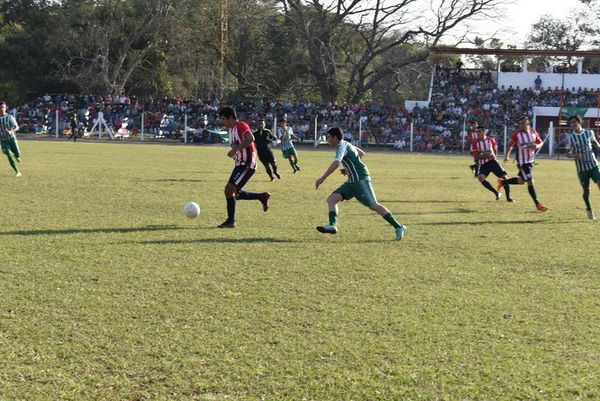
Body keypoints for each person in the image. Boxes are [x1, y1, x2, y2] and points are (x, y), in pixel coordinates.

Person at [315, 127, 407, 240]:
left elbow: (337, 162)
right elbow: (361, 153)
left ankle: (399, 227)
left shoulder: (341, 146)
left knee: (374, 205)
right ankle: (332, 226)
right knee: (332, 199)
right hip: (352, 181)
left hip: (361, 180)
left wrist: (322, 178)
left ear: (335, 137)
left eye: (328, 137)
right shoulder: (346, 144)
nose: (327, 139)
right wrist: (349, 168)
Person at [218, 106, 271, 228]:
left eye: (224, 119)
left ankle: (231, 221)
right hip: (240, 163)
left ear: (231, 117)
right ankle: (262, 196)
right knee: (234, 192)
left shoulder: (241, 125)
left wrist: (235, 149)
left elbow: (250, 138)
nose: (223, 122)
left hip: (247, 163)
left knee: (229, 190)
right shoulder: (231, 130)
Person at [501, 116, 548, 212]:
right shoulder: (516, 134)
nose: (522, 125)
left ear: (528, 124)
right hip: (522, 162)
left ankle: (502, 182)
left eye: (524, 123)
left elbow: (540, 142)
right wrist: (507, 156)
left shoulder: (533, 132)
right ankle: (537, 204)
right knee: (530, 181)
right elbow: (510, 145)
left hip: (530, 161)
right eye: (521, 123)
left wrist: (537, 146)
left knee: (521, 181)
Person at [565, 115, 600, 220]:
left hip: (593, 164)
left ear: (579, 122)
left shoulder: (589, 133)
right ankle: (589, 210)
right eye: (571, 123)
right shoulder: (570, 137)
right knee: (586, 191)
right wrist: (574, 156)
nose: (573, 124)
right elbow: (567, 153)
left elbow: (595, 143)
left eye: (574, 122)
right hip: (582, 169)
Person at [471, 126, 511, 201]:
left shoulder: (491, 140)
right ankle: (497, 193)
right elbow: (476, 157)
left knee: (505, 178)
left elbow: (495, 153)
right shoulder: (475, 143)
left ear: (484, 132)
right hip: (484, 164)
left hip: (493, 162)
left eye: (479, 131)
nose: (477, 133)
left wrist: (493, 156)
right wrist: (486, 155)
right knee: (481, 178)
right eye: (477, 132)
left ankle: (508, 197)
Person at [0, 101, 22, 177]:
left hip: (12, 139)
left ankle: (16, 155)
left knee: (17, 154)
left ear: (6, 108)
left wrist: (11, 131)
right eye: (0, 107)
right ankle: (17, 172)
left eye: (3, 107)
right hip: (3, 141)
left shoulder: (9, 117)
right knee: (8, 154)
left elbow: (17, 127)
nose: (2, 109)